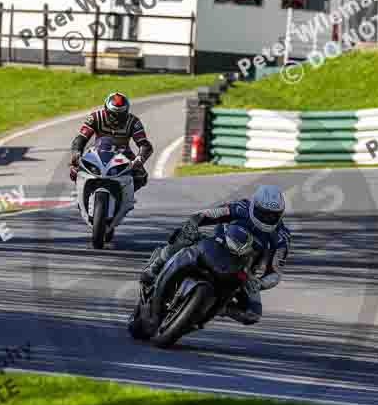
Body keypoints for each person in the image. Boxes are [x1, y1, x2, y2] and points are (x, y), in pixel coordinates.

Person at [140, 185, 291, 325]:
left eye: (273, 215)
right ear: (254, 205)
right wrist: (194, 222)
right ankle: (156, 266)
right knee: (183, 239)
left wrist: (259, 283)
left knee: (253, 314)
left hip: (243, 271)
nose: (267, 218)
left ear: (280, 214)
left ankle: (218, 309)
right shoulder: (241, 207)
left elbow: (276, 272)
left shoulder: (281, 237)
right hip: (216, 245)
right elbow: (211, 213)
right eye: (263, 213)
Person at [69, 92, 153, 190]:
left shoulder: (133, 122)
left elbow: (145, 144)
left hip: (124, 153)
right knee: (75, 170)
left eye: (120, 115)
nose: (116, 118)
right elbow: (80, 138)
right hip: (97, 152)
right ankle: (82, 192)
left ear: (126, 111)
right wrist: (76, 152)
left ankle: (126, 196)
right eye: (112, 114)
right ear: (106, 110)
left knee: (141, 176)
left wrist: (139, 159)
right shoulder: (95, 117)